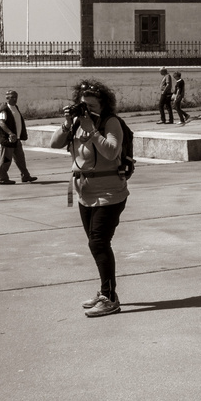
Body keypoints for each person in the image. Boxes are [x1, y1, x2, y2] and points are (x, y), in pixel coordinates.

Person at [50, 80, 128, 317]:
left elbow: (112, 151)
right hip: (84, 193)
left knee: (98, 242)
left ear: (103, 105)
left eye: (92, 105)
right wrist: (67, 123)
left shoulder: (110, 122)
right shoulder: (76, 123)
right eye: (84, 105)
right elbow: (55, 143)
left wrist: (93, 130)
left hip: (110, 193)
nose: (87, 110)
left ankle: (110, 298)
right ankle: (105, 291)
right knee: (96, 244)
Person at [0, 90, 36, 184]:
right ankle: (2, 178)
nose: (15, 99)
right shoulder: (4, 109)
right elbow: (1, 123)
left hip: (16, 139)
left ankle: (26, 176)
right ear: (7, 98)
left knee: (21, 159)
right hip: (8, 140)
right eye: (12, 97)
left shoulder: (15, 107)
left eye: (16, 97)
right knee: (6, 160)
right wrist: (10, 133)